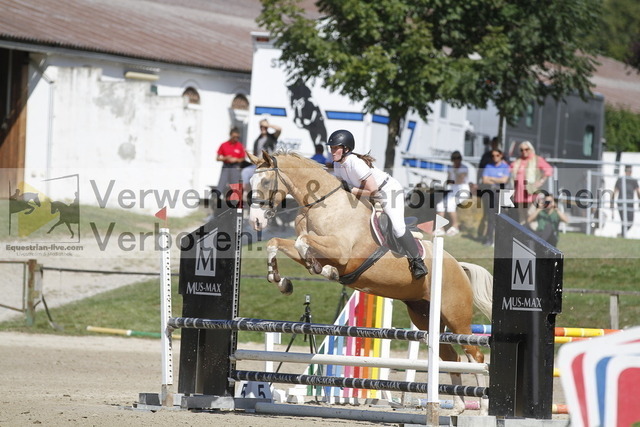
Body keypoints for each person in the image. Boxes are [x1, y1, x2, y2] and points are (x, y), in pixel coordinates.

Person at [327, 129, 428, 280]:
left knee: (398, 228)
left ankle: (418, 262)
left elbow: (373, 190)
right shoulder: (337, 165)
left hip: (387, 191)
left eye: (336, 148)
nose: (332, 151)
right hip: (368, 196)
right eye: (331, 148)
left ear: (346, 149)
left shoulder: (355, 163)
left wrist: (352, 190)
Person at [509, 141, 553, 225]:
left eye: (526, 149)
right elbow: (508, 169)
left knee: (531, 216)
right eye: (521, 150)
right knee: (522, 218)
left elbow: (549, 169)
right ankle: (522, 233)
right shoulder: (518, 161)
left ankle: (533, 233)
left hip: (531, 194)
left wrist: (541, 181)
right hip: (519, 194)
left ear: (531, 149)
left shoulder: (536, 159)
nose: (524, 151)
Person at [476, 137, 508, 240]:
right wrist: (497, 180)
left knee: (501, 215)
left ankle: (500, 238)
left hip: (501, 193)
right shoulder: (488, 164)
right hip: (489, 192)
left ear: (501, 155)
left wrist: (491, 178)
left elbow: (504, 180)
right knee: (489, 215)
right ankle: (489, 237)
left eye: (497, 155)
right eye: (493, 155)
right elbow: (485, 180)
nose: (495, 157)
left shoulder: (505, 165)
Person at [436, 151, 471, 237]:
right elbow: (449, 180)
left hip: (463, 190)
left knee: (450, 204)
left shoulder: (464, 168)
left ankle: (455, 226)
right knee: (440, 205)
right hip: (453, 191)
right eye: (454, 158)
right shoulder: (450, 168)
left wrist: (455, 172)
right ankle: (440, 228)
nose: (456, 160)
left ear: (460, 159)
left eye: (458, 158)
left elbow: (460, 180)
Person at [216, 127, 247, 198]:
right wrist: (225, 158)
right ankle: (216, 198)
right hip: (226, 166)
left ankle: (235, 201)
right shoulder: (223, 145)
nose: (236, 139)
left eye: (237, 137)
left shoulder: (240, 146)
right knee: (221, 184)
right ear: (230, 135)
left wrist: (236, 160)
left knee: (235, 186)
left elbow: (243, 158)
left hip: (235, 167)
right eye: (234, 137)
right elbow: (217, 158)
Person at [612, 165, 640, 236]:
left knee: (630, 222)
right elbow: (614, 192)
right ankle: (622, 236)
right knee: (624, 221)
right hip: (621, 203)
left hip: (630, 203)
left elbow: (638, 192)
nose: (629, 172)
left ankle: (621, 235)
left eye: (630, 170)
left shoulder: (633, 181)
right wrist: (611, 203)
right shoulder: (620, 180)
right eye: (628, 170)